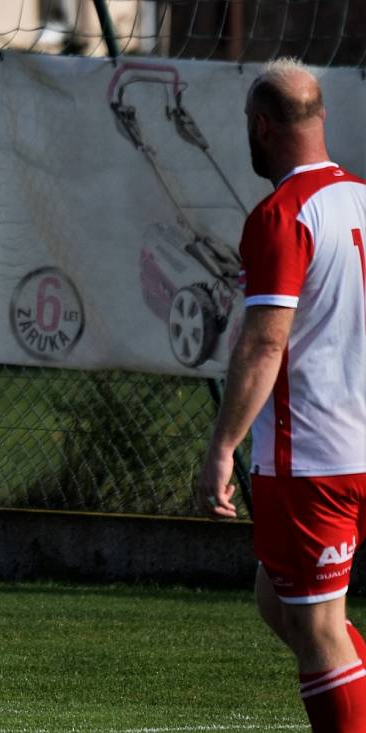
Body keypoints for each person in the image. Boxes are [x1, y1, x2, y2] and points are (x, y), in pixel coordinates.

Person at [198, 57, 366, 733]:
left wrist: (221, 446)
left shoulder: (281, 215)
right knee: (279, 602)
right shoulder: (361, 197)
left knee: (317, 625)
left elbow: (264, 343)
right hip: (355, 449)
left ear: (261, 127)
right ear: (320, 118)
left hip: (315, 458)